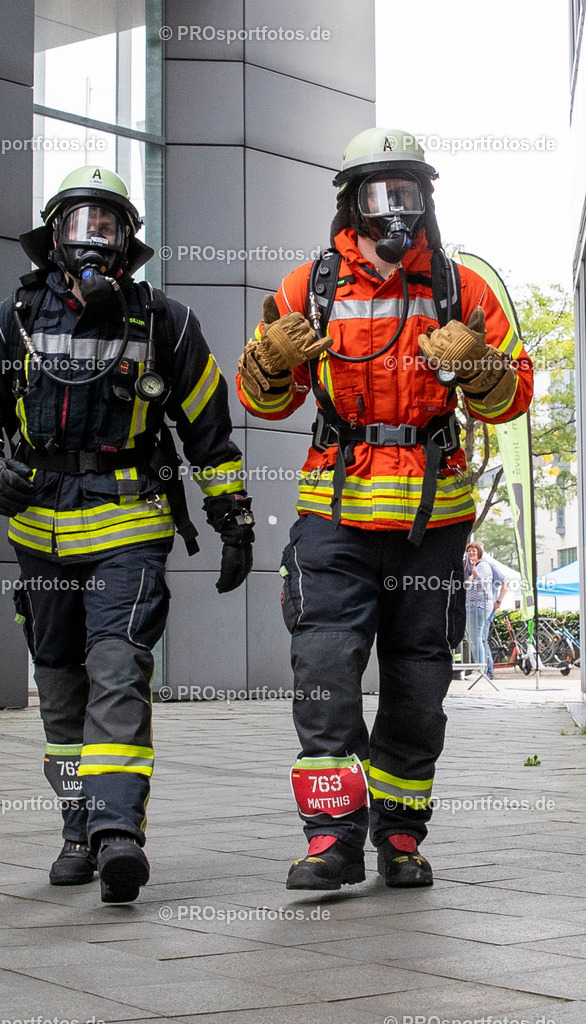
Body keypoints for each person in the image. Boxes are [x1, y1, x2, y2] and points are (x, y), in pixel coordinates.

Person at [0, 166, 254, 904]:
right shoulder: (12, 320)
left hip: (129, 525)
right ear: (52, 238)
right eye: (77, 225)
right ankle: (77, 825)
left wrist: (231, 517)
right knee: (60, 689)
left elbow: (208, 430)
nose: (91, 240)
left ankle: (118, 834)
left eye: (106, 226)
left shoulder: (165, 324)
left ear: (128, 242)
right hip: (40, 529)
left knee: (117, 670)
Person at [236, 127, 533, 890]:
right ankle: (331, 840)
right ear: (352, 202)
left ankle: (399, 835)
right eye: (379, 192)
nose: (395, 208)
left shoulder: (467, 286)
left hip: (432, 526)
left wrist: (480, 365)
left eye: (407, 191)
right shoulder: (309, 287)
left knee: (418, 684)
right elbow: (264, 399)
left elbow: (512, 397)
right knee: (325, 673)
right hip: (333, 516)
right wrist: (271, 364)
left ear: (426, 199)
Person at [464, 541, 494, 669]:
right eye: (469, 550)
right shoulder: (467, 566)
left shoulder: (484, 566)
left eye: (474, 551)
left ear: (479, 553)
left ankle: (481, 668)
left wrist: (474, 570)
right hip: (469, 605)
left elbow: (483, 584)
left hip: (480, 605)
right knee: (472, 638)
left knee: (476, 638)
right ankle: (480, 666)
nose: (470, 553)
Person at [483, 549, 508, 677]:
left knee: (482, 639)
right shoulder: (469, 564)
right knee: (479, 639)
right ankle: (485, 669)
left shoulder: (488, 565)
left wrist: (498, 601)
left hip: (488, 606)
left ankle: (488, 670)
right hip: (477, 607)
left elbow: (505, 582)